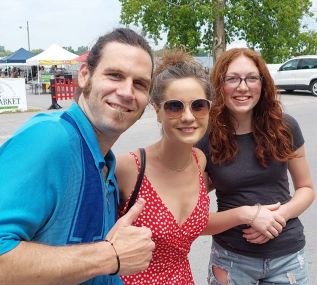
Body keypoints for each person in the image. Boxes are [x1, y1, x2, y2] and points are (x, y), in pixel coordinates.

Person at [0, 28, 155, 285]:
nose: (127, 92)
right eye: (115, 75)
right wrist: (110, 255)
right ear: (85, 76)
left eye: (140, 83)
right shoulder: (51, 138)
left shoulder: (105, 164)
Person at [197, 48, 315, 284]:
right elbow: (193, 218)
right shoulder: (204, 136)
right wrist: (247, 215)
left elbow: (306, 189)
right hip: (231, 260)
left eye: (251, 78)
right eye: (233, 78)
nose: (243, 87)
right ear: (220, 84)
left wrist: (277, 217)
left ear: (263, 83)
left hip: (287, 257)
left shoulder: (285, 127)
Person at [115, 49, 211, 284]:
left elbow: (192, 224)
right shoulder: (128, 168)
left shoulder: (199, 161)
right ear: (157, 110)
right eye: (175, 107)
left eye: (198, 105)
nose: (188, 117)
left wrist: (247, 214)